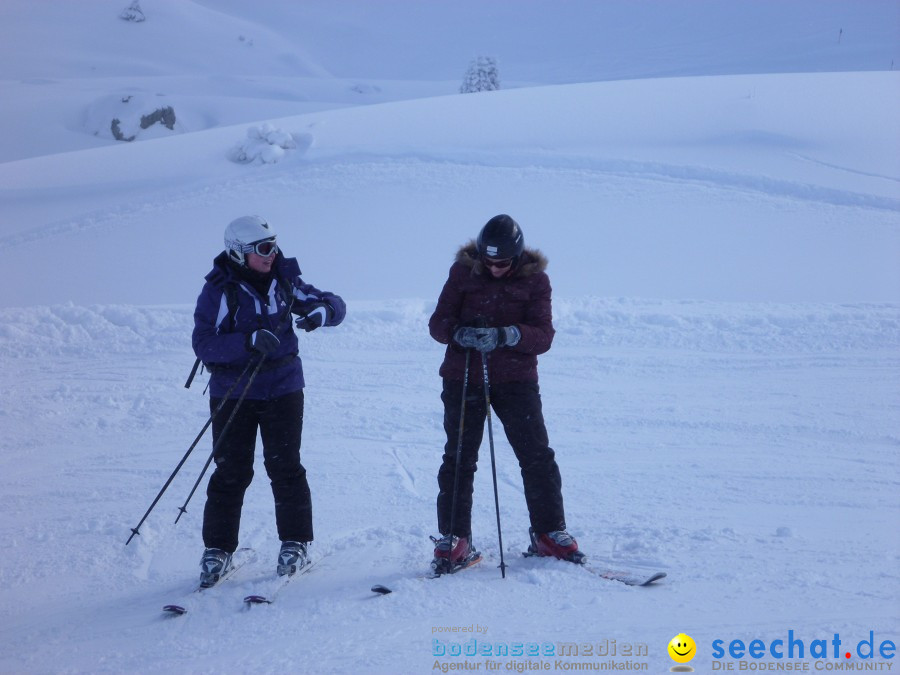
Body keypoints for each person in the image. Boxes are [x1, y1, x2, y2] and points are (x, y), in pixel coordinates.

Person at [191, 215, 345, 587]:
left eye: (274, 245)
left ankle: (296, 542)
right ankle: (218, 550)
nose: (272, 254)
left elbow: (333, 304)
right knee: (231, 471)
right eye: (263, 248)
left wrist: (321, 314)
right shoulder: (218, 291)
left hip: (283, 388)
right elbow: (203, 342)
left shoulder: (284, 281)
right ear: (239, 253)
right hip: (233, 392)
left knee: (286, 467)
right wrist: (247, 342)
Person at [427, 214, 584, 574]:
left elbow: (543, 335)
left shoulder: (536, 281)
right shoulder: (462, 274)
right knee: (459, 457)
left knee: (536, 455)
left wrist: (508, 335)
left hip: (516, 381)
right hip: (464, 378)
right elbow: (438, 323)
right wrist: (460, 333)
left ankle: (548, 533)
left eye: (502, 263)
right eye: (489, 261)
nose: (495, 269)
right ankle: (455, 539)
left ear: (516, 258)